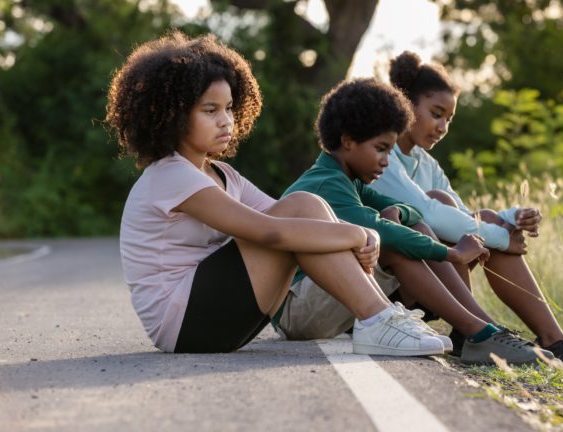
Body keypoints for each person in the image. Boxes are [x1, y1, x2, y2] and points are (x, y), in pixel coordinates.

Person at [104, 32, 445, 356]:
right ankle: (377, 319)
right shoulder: (171, 174)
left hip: (220, 318)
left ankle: (379, 317)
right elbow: (271, 230)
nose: (226, 121)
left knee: (306, 205)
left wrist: (358, 236)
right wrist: (357, 233)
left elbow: (299, 214)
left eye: (229, 108)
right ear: (173, 116)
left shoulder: (221, 174)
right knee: (300, 213)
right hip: (181, 321)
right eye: (210, 110)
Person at [274, 77, 553, 366]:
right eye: (380, 149)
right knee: (393, 245)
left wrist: (400, 214)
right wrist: (453, 253)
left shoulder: (349, 180)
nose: (385, 161)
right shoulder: (326, 185)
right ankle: (478, 333)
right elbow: (387, 233)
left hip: (327, 299)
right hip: (298, 312)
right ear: (347, 141)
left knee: (413, 228)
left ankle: (481, 331)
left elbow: (409, 211)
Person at [369, 50, 563, 365]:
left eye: (449, 118)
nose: (443, 126)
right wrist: (501, 237)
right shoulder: (383, 154)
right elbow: (430, 215)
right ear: (406, 102)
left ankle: (555, 341)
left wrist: (510, 219)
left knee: (484, 221)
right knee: (449, 209)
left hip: (429, 272)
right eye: (436, 113)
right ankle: (478, 330)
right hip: (388, 279)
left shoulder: (427, 163)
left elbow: (463, 217)